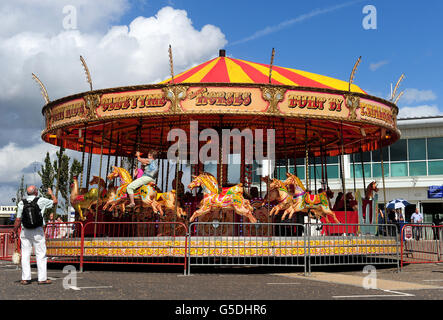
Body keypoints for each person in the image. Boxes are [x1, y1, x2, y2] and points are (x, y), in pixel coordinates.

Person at [10, 186, 57, 285]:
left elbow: (18, 219)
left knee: (25, 254)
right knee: (40, 254)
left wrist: (14, 230)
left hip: (25, 231)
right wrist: (51, 193)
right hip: (37, 230)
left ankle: (25, 278)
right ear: (36, 192)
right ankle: (42, 279)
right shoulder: (41, 200)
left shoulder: (21, 202)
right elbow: (55, 202)